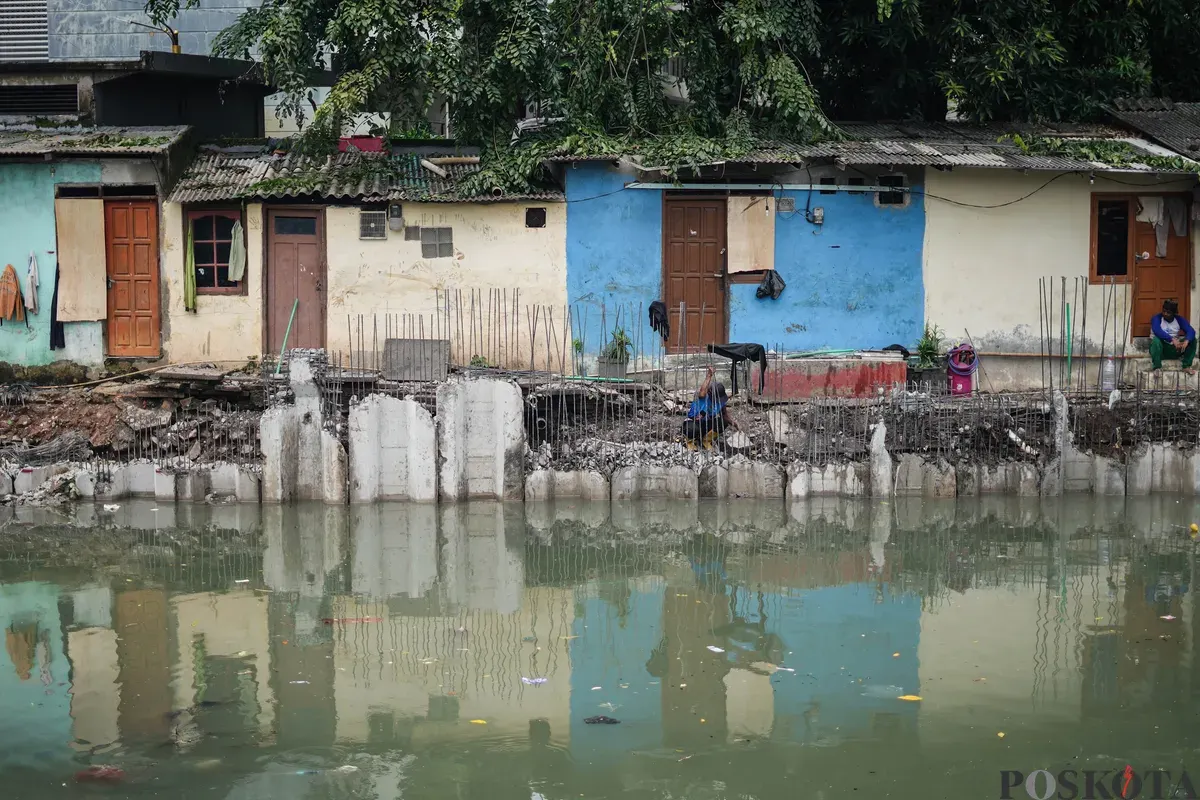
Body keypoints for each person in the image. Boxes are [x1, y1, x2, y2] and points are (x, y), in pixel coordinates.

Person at [683, 365, 737, 450]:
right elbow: (702, 392)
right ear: (710, 393)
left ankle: (706, 440)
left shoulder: (721, 402)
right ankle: (689, 441)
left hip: (707, 425)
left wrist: (735, 424)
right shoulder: (702, 397)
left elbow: (725, 416)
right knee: (692, 429)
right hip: (694, 423)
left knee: (723, 422)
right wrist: (709, 375)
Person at [1150, 299, 1196, 373]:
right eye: (1164, 311)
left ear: (1174, 313)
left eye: (1168, 312)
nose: (1165, 313)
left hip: (1175, 349)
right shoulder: (1157, 318)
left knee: (1193, 339)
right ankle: (1157, 368)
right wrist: (1171, 339)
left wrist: (1187, 340)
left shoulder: (1179, 319)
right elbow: (1157, 331)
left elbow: (1191, 331)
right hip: (1161, 350)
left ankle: (1186, 366)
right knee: (1156, 340)